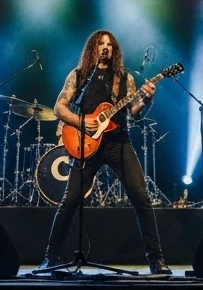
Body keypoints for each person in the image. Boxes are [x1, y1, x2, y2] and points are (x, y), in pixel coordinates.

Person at [38, 31, 169, 275]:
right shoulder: (78, 75)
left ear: (115, 49)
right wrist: (80, 121)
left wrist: (147, 100)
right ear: (93, 48)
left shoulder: (125, 78)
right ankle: (50, 257)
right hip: (86, 144)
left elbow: (134, 112)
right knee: (69, 201)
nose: (105, 48)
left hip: (119, 142)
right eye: (101, 44)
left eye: (109, 44)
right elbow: (59, 107)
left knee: (141, 197)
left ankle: (156, 260)